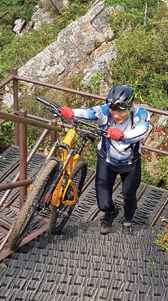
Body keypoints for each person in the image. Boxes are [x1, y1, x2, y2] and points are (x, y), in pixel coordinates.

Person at [61, 85, 150, 235]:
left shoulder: (140, 114)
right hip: (106, 160)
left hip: (130, 163)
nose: (116, 115)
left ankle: (128, 220)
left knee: (129, 194)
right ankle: (110, 212)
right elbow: (89, 112)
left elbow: (141, 130)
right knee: (103, 202)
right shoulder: (105, 111)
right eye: (113, 109)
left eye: (121, 110)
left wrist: (124, 136)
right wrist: (72, 112)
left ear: (131, 106)